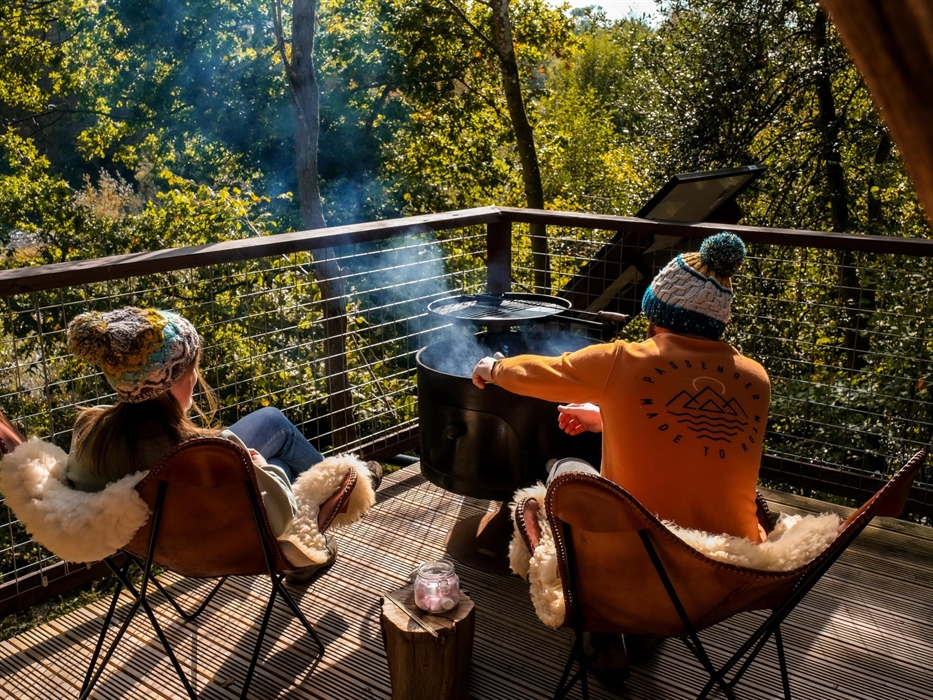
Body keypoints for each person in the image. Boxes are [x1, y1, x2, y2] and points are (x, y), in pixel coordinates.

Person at [472, 231, 770, 686]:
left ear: (656, 312)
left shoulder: (624, 360)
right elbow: (693, 431)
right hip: (718, 575)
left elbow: (545, 372)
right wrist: (607, 418)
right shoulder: (755, 379)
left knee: (563, 475)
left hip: (639, 562)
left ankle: (606, 634)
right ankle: (648, 632)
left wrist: (493, 368)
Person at [65, 306, 381, 581]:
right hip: (218, 542)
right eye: (192, 369)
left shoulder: (89, 434)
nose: (197, 377)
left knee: (271, 421)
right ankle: (341, 504)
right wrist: (261, 468)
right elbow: (279, 520)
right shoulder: (211, 452)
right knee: (279, 457)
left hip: (158, 545)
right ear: (173, 381)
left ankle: (351, 486)